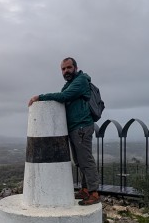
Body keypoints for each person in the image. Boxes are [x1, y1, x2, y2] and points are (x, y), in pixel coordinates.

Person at [28, 57, 100, 205]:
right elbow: (63, 96)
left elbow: (64, 96)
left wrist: (40, 97)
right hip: (75, 127)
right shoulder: (69, 84)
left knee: (85, 160)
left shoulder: (80, 81)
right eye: (63, 69)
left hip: (82, 127)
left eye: (68, 67)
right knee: (79, 160)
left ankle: (94, 192)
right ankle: (85, 190)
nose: (66, 71)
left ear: (75, 67)